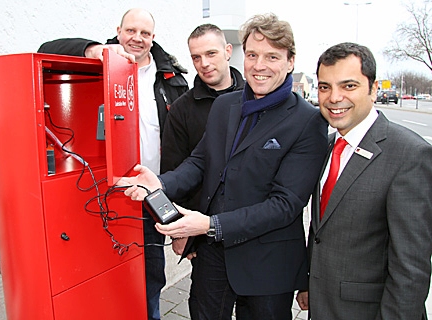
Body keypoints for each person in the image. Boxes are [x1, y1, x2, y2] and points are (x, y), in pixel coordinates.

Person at [119, 13, 328, 320]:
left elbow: (285, 205)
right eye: (253, 55)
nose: (259, 66)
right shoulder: (224, 106)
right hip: (213, 259)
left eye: (272, 56)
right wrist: (161, 184)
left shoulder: (308, 120)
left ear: (290, 61)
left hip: (267, 265)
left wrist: (209, 225)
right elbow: (200, 162)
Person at [38, 8, 189, 320]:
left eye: (145, 33)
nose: (137, 39)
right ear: (119, 30)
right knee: (110, 272)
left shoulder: (171, 80)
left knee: (150, 273)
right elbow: (46, 49)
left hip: (150, 193)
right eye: (131, 31)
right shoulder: (102, 59)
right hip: (108, 190)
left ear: (153, 38)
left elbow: (186, 144)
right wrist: (94, 50)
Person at [296, 42, 432, 319]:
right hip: (323, 305)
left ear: (373, 89)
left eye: (348, 86)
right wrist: (311, 281)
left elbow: (411, 269)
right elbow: (323, 229)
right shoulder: (327, 146)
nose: (334, 98)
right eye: (325, 87)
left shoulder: (409, 154)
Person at [160, 23, 245, 318]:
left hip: (253, 231)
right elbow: (175, 169)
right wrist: (183, 235)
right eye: (196, 57)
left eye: (210, 53)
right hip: (205, 233)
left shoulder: (256, 96)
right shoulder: (182, 109)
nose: (204, 63)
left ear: (227, 51)